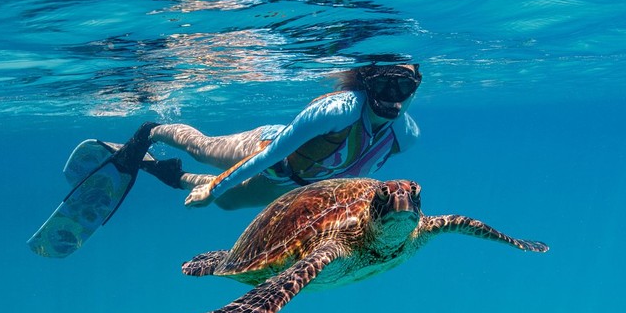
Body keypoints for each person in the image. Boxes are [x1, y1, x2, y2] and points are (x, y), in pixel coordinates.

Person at [109, 63, 422, 211]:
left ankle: (169, 172)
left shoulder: (405, 137)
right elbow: (270, 157)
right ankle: (151, 132)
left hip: (295, 187)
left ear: (414, 89)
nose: (393, 97)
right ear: (368, 83)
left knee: (228, 203)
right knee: (203, 149)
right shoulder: (337, 112)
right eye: (384, 85)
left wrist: (217, 193)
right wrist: (215, 187)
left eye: (404, 87)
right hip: (268, 151)